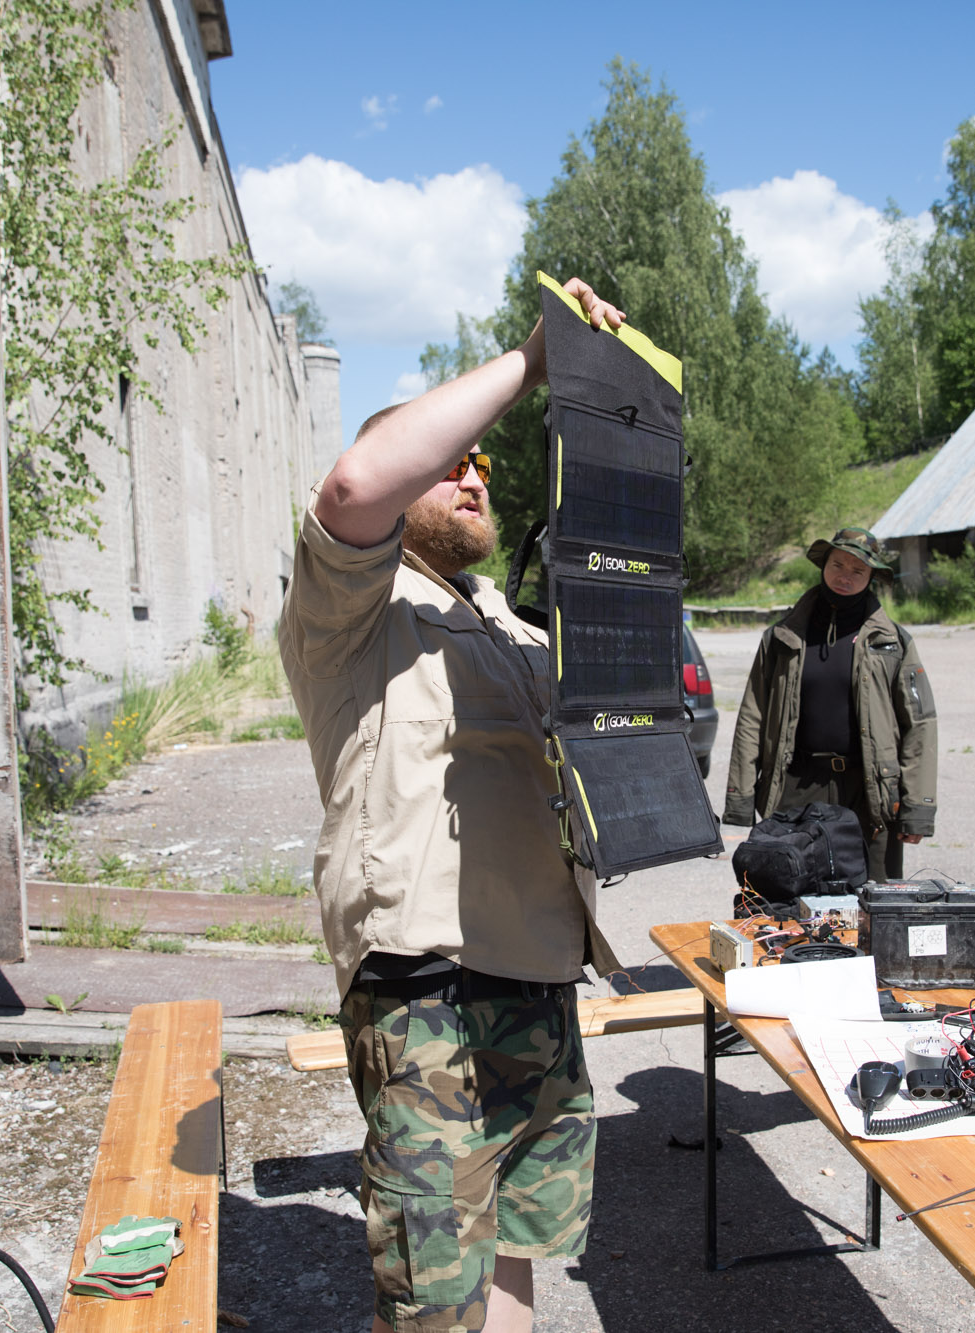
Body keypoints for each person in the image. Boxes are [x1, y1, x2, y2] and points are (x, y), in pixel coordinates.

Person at [278, 277, 626, 1333]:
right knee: (435, 1296)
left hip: (538, 972)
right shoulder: (353, 614)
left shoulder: (514, 627)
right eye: (446, 461)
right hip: (428, 991)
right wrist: (532, 360)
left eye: (479, 464)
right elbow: (350, 488)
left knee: (518, 1246)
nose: (470, 475)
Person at [722, 527, 936, 880]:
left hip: (870, 795)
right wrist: (741, 796)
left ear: (871, 578)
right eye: (838, 565)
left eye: (858, 571)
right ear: (823, 565)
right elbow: (752, 717)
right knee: (790, 903)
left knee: (873, 909)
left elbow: (920, 723)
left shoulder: (894, 643)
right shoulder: (782, 638)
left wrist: (917, 809)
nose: (845, 577)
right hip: (796, 790)